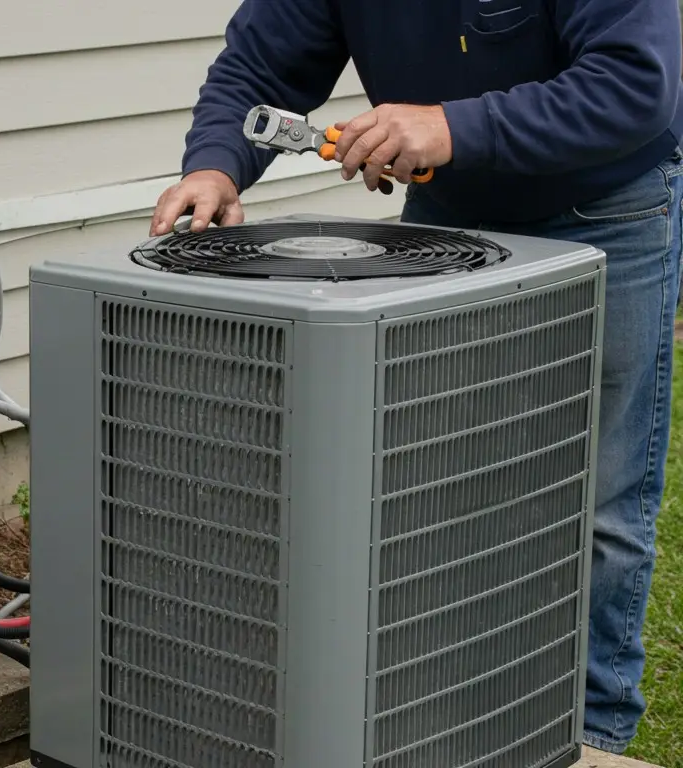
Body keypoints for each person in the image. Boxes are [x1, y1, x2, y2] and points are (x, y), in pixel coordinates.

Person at [149, 0, 683, 754]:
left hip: (603, 214)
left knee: (598, 496)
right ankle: (439, 706)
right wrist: (214, 163)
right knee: (435, 488)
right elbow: (260, 64)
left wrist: (451, 126)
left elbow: (633, 84)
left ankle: (590, 734)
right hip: (453, 224)